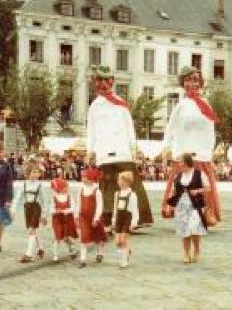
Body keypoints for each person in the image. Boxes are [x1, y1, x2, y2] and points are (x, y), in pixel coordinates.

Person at [86, 65, 152, 228]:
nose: (103, 84)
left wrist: (134, 148)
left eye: (106, 80)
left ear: (112, 81)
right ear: (96, 83)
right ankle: (107, 220)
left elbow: (130, 127)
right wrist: (90, 150)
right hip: (103, 152)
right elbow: (91, 130)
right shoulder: (94, 106)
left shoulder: (121, 103)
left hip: (123, 151)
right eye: (99, 80)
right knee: (107, 188)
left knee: (132, 184)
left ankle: (140, 218)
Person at [162, 66, 221, 223]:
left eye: (195, 80)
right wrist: (167, 147)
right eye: (188, 80)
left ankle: (207, 214)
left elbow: (210, 129)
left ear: (200, 83)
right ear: (183, 83)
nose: (192, 84)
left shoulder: (205, 104)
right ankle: (181, 214)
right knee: (182, 186)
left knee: (202, 185)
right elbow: (171, 127)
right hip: (183, 153)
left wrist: (210, 150)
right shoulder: (181, 105)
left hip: (201, 154)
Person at [167, 154, 210, 264]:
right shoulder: (178, 175)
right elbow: (174, 192)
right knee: (184, 230)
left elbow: (208, 188)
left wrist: (197, 191)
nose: (179, 164)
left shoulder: (199, 173)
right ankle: (186, 253)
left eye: (181, 162)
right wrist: (170, 206)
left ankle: (196, 250)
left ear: (187, 162)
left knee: (194, 229)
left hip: (196, 205)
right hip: (181, 206)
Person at [10, 164, 48, 263]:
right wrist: (13, 211)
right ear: (27, 173)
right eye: (33, 172)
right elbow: (17, 198)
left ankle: (28, 255)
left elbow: (45, 201)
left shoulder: (40, 185)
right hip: (27, 208)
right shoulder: (23, 185)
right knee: (32, 230)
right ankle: (41, 248)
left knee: (31, 230)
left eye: (37, 172)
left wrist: (44, 215)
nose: (35, 174)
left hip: (36, 208)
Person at [75, 166, 107, 268]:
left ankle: (100, 253)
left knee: (99, 237)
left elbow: (100, 206)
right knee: (83, 237)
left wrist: (96, 218)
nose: (83, 179)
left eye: (85, 177)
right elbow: (78, 203)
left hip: (94, 218)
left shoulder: (97, 191)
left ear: (91, 178)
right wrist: (76, 215)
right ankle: (83, 260)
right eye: (83, 177)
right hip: (83, 217)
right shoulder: (81, 190)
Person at [112, 171, 139, 269]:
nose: (119, 182)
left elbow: (135, 209)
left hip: (128, 217)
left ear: (127, 182)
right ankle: (127, 251)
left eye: (121, 180)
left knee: (123, 240)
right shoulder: (117, 194)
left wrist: (134, 222)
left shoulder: (132, 194)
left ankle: (124, 261)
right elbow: (115, 208)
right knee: (118, 242)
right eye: (119, 180)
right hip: (119, 217)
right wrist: (114, 219)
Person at [50, 175, 78, 263]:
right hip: (57, 219)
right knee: (57, 237)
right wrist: (56, 211)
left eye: (67, 187)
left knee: (67, 237)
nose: (67, 189)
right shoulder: (54, 198)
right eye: (65, 187)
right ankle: (55, 255)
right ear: (60, 188)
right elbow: (51, 209)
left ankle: (72, 249)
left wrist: (67, 210)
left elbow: (74, 207)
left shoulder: (69, 197)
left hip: (67, 219)